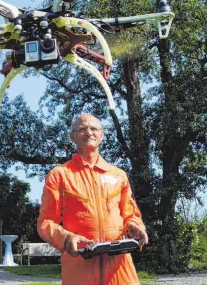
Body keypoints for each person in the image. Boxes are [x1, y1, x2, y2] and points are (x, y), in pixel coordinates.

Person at [37, 114, 149, 285]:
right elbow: (46, 222)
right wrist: (67, 239)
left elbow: (130, 214)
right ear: (72, 136)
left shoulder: (119, 175)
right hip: (79, 267)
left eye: (94, 128)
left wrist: (135, 226)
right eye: (82, 129)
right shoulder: (59, 175)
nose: (88, 132)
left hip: (120, 268)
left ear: (102, 135)